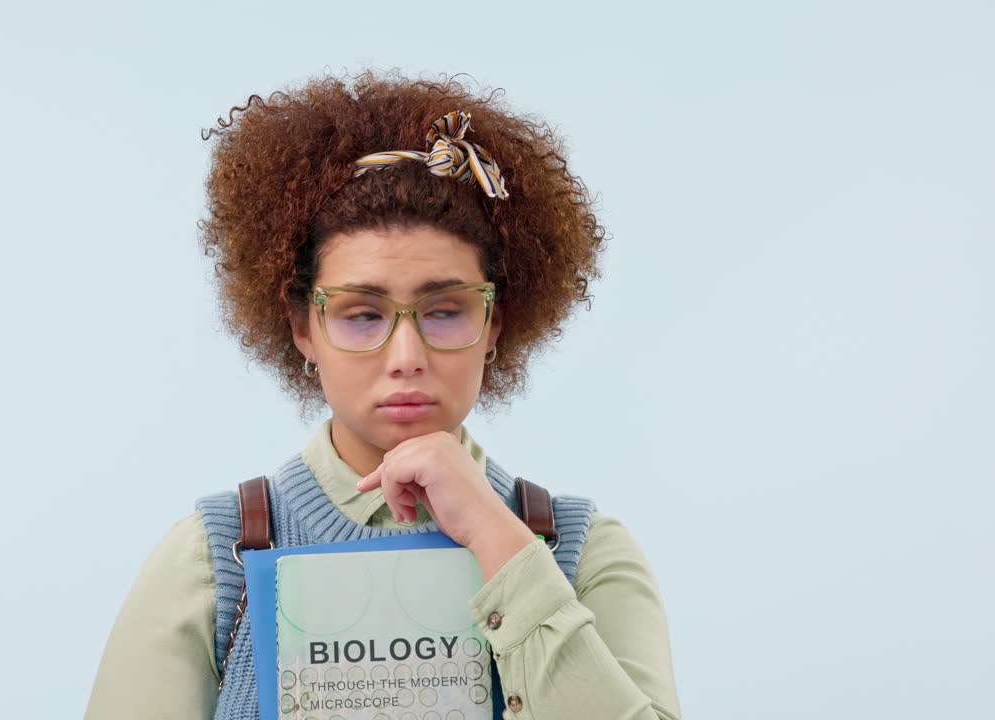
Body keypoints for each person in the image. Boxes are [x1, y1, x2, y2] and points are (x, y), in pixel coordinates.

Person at [83, 70, 682, 720]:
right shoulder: (211, 560)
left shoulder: (586, 553)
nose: (406, 358)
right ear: (301, 328)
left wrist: (494, 534)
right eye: (362, 315)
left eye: (446, 310)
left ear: (495, 325)